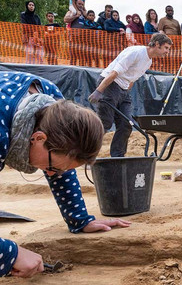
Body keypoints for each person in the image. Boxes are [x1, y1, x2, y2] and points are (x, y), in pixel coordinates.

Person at [0, 72, 130, 278]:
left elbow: (62, 169)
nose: (52, 173)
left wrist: (79, 219)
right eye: (53, 168)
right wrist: (8, 254)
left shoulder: (52, 103)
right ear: (38, 138)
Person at [88, 33, 172, 157]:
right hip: (110, 84)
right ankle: (88, 155)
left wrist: (124, 94)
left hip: (123, 89)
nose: (167, 52)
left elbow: (132, 80)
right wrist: (99, 91)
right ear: (157, 44)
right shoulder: (136, 53)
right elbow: (114, 72)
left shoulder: (148, 62)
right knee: (105, 122)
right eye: (166, 48)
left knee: (126, 124)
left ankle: (118, 157)